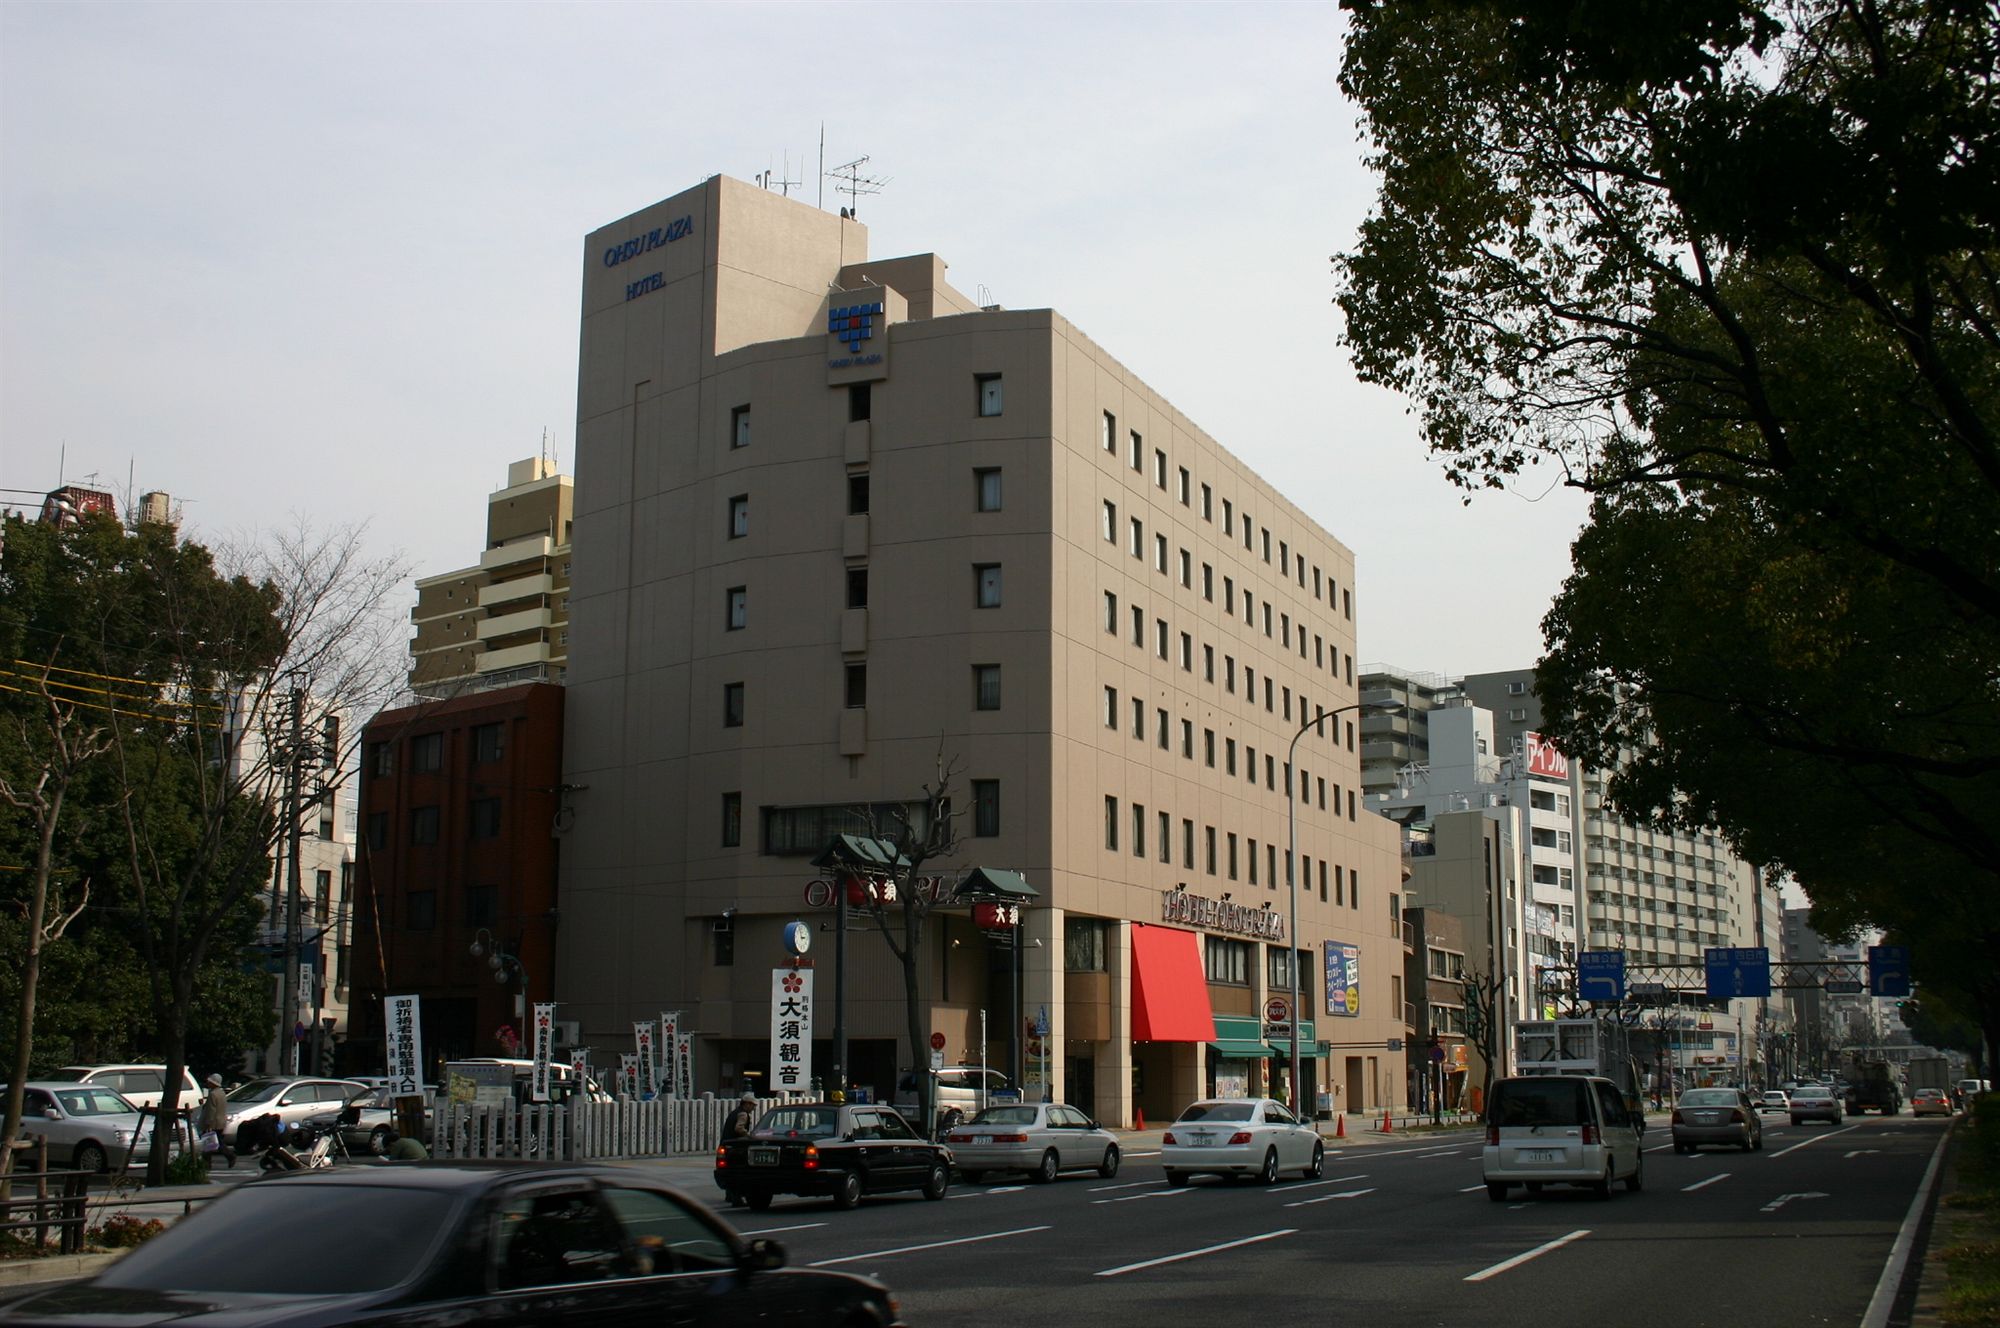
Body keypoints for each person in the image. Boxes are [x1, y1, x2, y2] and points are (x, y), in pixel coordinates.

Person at [198, 1072, 233, 1171]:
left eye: (209, 1082)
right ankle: (208, 1163)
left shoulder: (213, 1094)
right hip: (221, 1122)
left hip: (213, 1123)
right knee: (216, 1143)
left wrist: (208, 1123)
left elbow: (211, 1111)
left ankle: (208, 1163)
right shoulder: (222, 1093)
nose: (208, 1083)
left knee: (210, 1143)